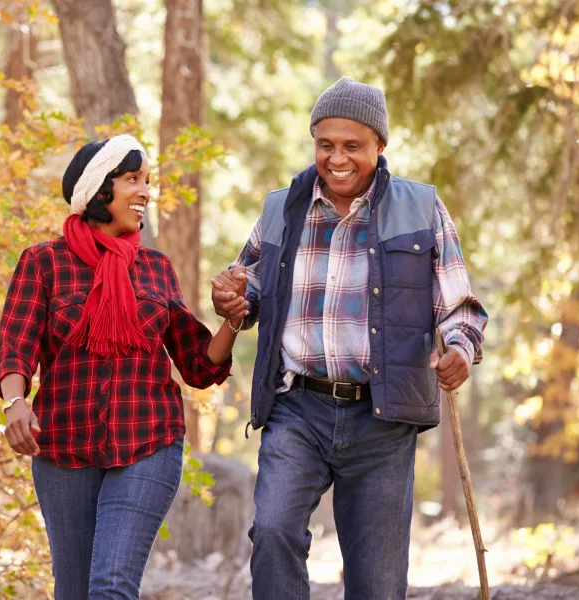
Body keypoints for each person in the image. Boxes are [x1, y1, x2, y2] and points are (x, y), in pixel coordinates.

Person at [210, 77, 489, 599]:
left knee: (377, 581)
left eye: (352, 145)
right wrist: (232, 298)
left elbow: (459, 307)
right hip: (297, 408)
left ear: (380, 145)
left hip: (382, 416)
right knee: (272, 529)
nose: (337, 158)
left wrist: (459, 348)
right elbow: (248, 285)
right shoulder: (280, 208)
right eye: (326, 145)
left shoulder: (421, 208)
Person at [0, 134, 240, 600]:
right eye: (133, 179)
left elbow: (197, 365)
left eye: (147, 180)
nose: (146, 191)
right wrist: (15, 402)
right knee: (73, 591)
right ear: (98, 189)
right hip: (63, 446)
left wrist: (232, 321)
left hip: (149, 440)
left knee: (111, 586)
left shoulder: (155, 267)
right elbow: (15, 345)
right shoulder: (43, 262)